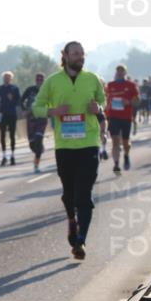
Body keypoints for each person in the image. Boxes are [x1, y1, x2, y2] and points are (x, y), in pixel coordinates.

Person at [32, 42, 105, 261]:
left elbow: (103, 102)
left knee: (84, 195)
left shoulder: (92, 79)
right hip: (65, 146)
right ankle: (72, 221)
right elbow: (36, 108)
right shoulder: (53, 81)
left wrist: (98, 108)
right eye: (75, 54)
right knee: (69, 194)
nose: (80, 57)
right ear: (65, 56)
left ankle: (81, 239)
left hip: (89, 143)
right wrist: (53, 111)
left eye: (82, 54)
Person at [105, 65, 140, 174]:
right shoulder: (110, 85)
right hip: (113, 117)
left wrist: (128, 102)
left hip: (126, 117)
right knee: (115, 141)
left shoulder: (131, 85)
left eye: (122, 71)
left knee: (125, 142)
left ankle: (126, 155)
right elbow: (106, 100)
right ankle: (116, 164)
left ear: (125, 73)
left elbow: (137, 102)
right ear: (116, 73)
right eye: (118, 71)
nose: (119, 73)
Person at [20, 72, 48, 174]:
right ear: (35, 80)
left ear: (44, 80)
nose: (39, 81)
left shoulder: (46, 90)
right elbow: (21, 100)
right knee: (32, 144)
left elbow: (52, 102)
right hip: (31, 118)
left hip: (41, 118)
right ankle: (39, 149)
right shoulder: (30, 89)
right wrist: (24, 110)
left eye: (41, 79)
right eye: (38, 79)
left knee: (38, 141)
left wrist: (50, 111)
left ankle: (36, 165)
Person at [0, 71, 21, 166]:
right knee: (2, 135)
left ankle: (12, 156)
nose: (6, 79)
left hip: (12, 114)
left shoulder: (14, 89)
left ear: (11, 79)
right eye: (5, 77)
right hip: (2, 114)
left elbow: (19, 101)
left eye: (8, 77)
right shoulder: (0, 89)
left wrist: (12, 99)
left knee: (12, 135)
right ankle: (4, 156)